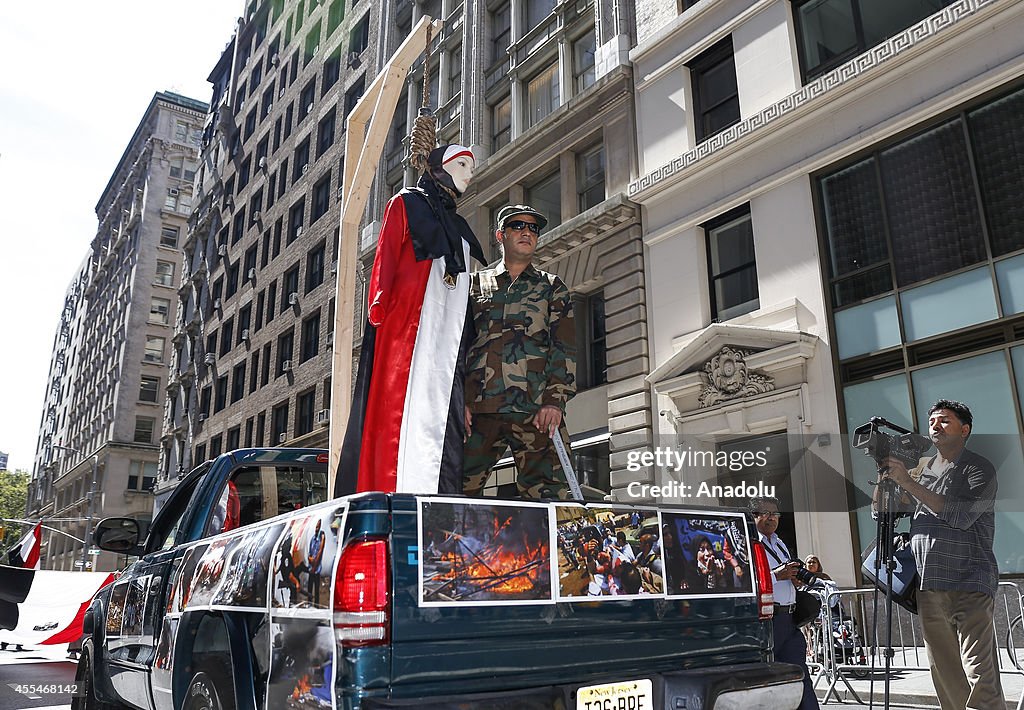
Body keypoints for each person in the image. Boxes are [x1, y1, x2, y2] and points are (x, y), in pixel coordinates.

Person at [338, 144, 485, 496]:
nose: (469, 173)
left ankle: (437, 501)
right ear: (439, 167)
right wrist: (379, 302)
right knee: (399, 414)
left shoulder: (462, 227)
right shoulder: (405, 203)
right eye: (462, 164)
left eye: (471, 167)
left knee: (440, 422)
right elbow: (385, 256)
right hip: (407, 330)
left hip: (447, 337)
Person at [878, 399, 1003, 710]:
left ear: (965, 430)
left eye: (945, 420)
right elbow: (884, 512)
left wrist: (906, 480)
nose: (935, 425)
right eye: (932, 420)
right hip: (929, 586)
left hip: (969, 581)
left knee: (979, 673)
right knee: (946, 676)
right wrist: (886, 478)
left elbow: (961, 515)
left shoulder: (978, 468)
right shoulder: (920, 469)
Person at [462, 204, 577, 499]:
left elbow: (563, 348)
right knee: (453, 492)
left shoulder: (552, 287)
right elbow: (457, 347)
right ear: (500, 235)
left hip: (536, 410)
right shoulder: (473, 286)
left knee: (553, 498)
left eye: (533, 228)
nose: (527, 232)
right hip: (478, 411)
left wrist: (554, 401)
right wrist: (457, 403)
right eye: (517, 226)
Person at [751, 495, 820, 710]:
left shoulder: (780, 544)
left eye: (776, 514)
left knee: (801, 678)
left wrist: (796, 579)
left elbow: (788, 579)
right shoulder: (749, 544)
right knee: (769, 684)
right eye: (767, 514)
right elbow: (746, 580)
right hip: (767, 622)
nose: (772, 518)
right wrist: (775, 575)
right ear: (754, 516)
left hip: (789, 620)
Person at [306, 520, 326, 605]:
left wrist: (314, 565)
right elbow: (309, 553)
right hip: (311, 568)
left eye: (318, 527)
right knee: (310, 588)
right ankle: (309, 603)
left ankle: (316, 605)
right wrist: (310, 559)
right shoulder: (313, 539)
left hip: (316, 569)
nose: (316, 529)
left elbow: (320, 553)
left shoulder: (321, 539)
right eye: (316, 527)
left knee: (316, 589)